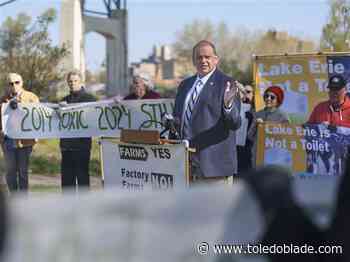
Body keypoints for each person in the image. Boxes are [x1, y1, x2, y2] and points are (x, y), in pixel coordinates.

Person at [172, 40, 241, 184]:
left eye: (207, 57)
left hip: (214, 169)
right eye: (199, 57)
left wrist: (228, 107)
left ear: (216, 60)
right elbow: (180, 119)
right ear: (193, 61)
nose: (203, 60)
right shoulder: (185, 85)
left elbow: (235, 123)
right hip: (185, 166)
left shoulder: (227, 84)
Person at [0, 73, 39, 193]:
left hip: (25, 141)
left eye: (17, 82)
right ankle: (14, 198)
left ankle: (23, 201)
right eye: (11, 83)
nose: (14, 85)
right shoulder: (2, 100)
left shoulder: (31, 97)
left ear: (22, 83)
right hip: (8, 141)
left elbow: (39, 117)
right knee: (10, 172)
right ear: (7, 85)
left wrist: (37, 135)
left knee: (23, 172)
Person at [59, 70, 96, 192]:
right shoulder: (63, 101)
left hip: (82, 146)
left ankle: (84, 208)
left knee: (82, 179)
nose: (72, 83)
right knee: (67, 181)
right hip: (66, 146)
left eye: (75, 81)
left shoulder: (90, 99)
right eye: (70, 81)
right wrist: (59, 110)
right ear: (67, 83)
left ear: (81, 82)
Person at [247, 85, 289, 167]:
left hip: (274, 157)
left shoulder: (283, 116)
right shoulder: (258, 114)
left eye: (272, 97)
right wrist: (255, 124)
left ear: (278, 100)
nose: (268, 99)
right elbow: (250, 136)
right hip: (257, 155)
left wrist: (268, 126)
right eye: (266, 96)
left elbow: (286, 139)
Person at [237, 84, 255, 175]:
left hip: (249, 150)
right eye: (243, 92)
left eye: (248, 92)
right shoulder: (236, 108)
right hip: (236, 150)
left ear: (253, 95)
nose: (245, 94)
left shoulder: (257, 111)